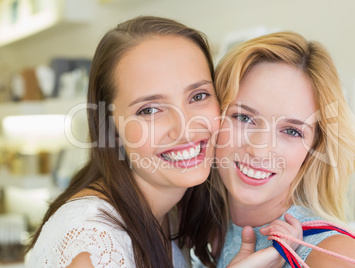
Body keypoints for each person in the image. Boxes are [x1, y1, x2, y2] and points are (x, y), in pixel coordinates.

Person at [26, 16, 221, 268]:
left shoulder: (170, 209)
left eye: (198, 95)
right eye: (149, 110)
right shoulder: (94, 243)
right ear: (111, 128)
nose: (185, 129)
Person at [208, 31, 355, 268]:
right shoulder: (182, 225)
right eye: (243, 117)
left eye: (292, 131)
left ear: (314, 149)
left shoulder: (334, 255)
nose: (260, 151)